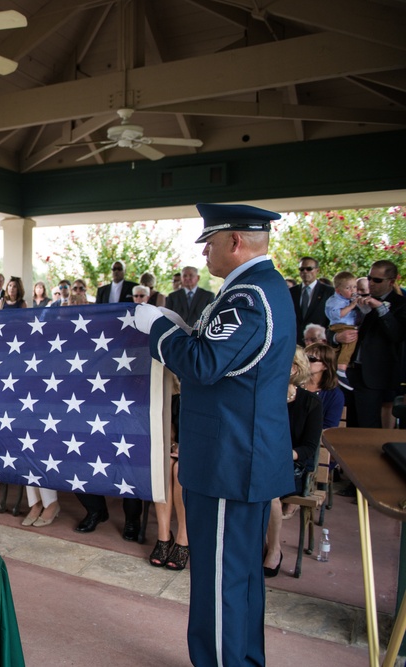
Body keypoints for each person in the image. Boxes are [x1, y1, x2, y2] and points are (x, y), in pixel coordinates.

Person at [133, 203, 295, 666]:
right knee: (237, 578)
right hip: (236, 453)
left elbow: (204, 364)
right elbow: (220, 355)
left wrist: (162, 329)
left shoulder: (248, 296)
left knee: (221, 580)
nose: (204, 253)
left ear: (235, 242)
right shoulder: (254, 289)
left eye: (210, 242)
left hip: (230, 457)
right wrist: (186, 330)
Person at [263, 347, 323, 577]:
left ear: (294, 369)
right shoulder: (266, 395)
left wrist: (282, 455)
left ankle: (275, 548)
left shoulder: (311, 403)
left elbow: (309, 448)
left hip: (293, 465)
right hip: (262, 459)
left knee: (269, 492)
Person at [341, 260, 406, 429]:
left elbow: (397, 334)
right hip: (352, 371)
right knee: (351, 425)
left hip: (376, 375)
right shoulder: (361, 301)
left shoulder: (400, 304)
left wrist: (381, 309)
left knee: (367, 425)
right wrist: (337, 337)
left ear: (391, 281)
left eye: (377, 280)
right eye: (369, 278)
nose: (371, 283)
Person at [150, 375, 188, 571]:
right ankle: (164, 536)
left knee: (179, 470)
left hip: (203, 454)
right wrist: (174, 445)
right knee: (163, 466)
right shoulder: (175, 398)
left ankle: (184, 538)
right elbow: (170, 433)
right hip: (178, 450)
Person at [324, 271, 362, 378]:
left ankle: (337, 366)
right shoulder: (334, 301)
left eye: (355, 287)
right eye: (348, 288)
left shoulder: (352, 299)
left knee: (342, 348)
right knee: (350, 343)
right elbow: (336, 315)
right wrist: (351, 306)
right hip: (341, 326)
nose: (353, 290)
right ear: (338, 290)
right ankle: (341, 367)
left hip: (349, 326)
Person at [290, 256, 334, 345]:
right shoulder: (291, 292)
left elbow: (332, 318)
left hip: (318, 343)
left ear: (317, 270)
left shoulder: (328, 292)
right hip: (295, 343)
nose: (305, 272)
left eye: (309, 269)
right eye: (302, 269)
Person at [303, 342, 345, 431]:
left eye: (311, 359)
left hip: (315, 440)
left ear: (325, 366)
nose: (304, 361)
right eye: (303, 357)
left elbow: (329, 427)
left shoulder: (334, 395)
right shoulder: (293, 385)